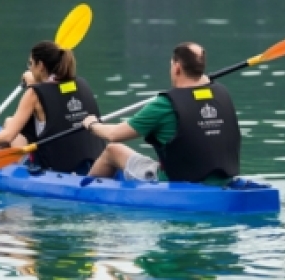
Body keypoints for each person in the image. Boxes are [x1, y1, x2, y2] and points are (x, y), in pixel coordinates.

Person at [81, 42, 241, 185]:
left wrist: (91, 124)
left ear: (177, 67)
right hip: (224, 180)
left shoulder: (165, 105)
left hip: (175, 181)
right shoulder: (222, 94)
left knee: (112, 150)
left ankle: (84, 192)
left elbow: (114, 134)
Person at [0, 40, 106, 174]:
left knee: (10, 126)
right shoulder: (80, 84)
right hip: (90, 163)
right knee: (11, 121)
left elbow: (8, 136)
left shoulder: (34, 94)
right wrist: (34, 80)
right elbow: (54, 91)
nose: (29, 68)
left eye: (30, 63)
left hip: (54, 168)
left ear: (40, 65)